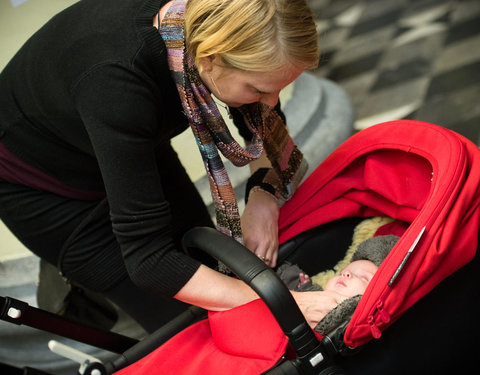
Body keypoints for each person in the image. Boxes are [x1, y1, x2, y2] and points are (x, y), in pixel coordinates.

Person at [0, 0, 339, 332]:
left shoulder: (212, 27)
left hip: (115, 135)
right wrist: (277, 302)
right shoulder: (119, 86)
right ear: (209, 59)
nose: (272, 102)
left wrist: (263, 195)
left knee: (212, 264)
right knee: (189, 323)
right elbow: (150, 262)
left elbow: (264, 128)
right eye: (260, 90)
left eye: (280, 88)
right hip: (40, 189)